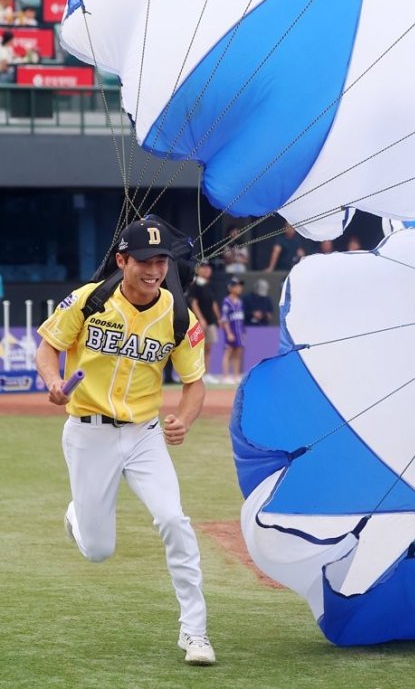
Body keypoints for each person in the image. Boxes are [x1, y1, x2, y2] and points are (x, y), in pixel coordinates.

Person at [34, 219, 216, 665]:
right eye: (144, 261)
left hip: (144, 436)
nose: (154, 270)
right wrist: (54, 381)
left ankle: (195, 632)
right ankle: (79, 514)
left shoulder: (178, 315)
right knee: (98, 551)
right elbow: (46, 348)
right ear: (122, 261)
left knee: (174, 520)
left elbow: (195, 384)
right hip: (87, 434)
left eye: (161, 261)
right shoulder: (88, 299)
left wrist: (185, 420)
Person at [186, 260, 221, 383]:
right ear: (198, 270)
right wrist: (200, 319)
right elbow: (194, 303)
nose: (207, 270)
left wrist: (218, 317)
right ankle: (196, 374)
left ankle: (206, 374)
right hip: (198, 322)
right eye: (204, 267)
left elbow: (213, 303)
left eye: (209, 268)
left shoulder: (210, 285)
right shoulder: (194, 285)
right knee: (197, 349)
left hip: (210, 321)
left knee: (208, 347)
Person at [220, 275, 245, 385]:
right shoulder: (227, 301)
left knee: (238, 353)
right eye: (236, 286)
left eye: (240, 286)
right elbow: (224, 319)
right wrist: (229, 333)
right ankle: (225, 376)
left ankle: (236, 375)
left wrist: (243, 332)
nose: (239, 288)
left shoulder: (239, 301)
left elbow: (241, 318)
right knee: (228, 352)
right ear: (230, 288)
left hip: (239, 331)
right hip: (231, 331)